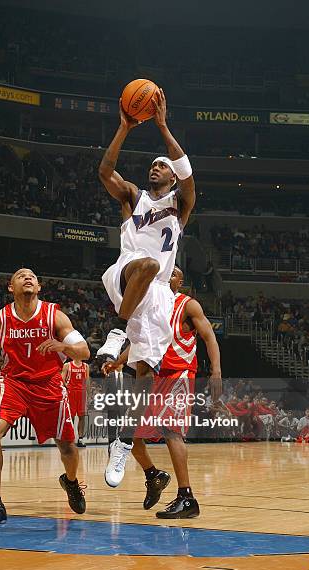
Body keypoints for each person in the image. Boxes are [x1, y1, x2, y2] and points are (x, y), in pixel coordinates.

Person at [97, 90, 196, 486]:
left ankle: (122, 441)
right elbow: (105, 172)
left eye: (162, 166)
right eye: (152, 165)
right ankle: (116, 331)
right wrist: (123, 129)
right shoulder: (133, 196)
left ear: (172, 174)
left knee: (145, 374)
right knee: (151, 263)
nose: (155, 168)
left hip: (155, 299)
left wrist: (161, 126)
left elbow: (189, 175)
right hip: (126, 273)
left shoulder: (181, 202)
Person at [0, 268, 90, 525]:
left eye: (33, 277)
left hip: (48, 384)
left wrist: (64, 347)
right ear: (10, 287)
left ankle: (71, 483)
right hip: (13, 383)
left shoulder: (55, 316)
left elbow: (84, 352)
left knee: (67, 446)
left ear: (38, 288)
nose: (28, 278)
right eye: (21, 276)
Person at [103, 266, 222, 518]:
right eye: (167, 270)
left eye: (175, 272)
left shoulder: (188, 305)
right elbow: (139, 342)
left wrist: (216, 372)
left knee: (171, 431)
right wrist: (119, 361)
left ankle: (186, 497)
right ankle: (153, 475)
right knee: (128, 436)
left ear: (181, 281)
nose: (169, 274)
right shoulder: (150, 305)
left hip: (177, 375)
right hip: (150, 377)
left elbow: (210, 337)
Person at [62, 359, 90, 447]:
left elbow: (87, 380)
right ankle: (70, 438)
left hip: (82, 393)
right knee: (71, 417)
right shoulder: (67, 365)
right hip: (71, 392)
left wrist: (88, 394)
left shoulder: (86, 366)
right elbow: (62, 379)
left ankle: (80, 439)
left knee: (82, 417)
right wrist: (67, 388)